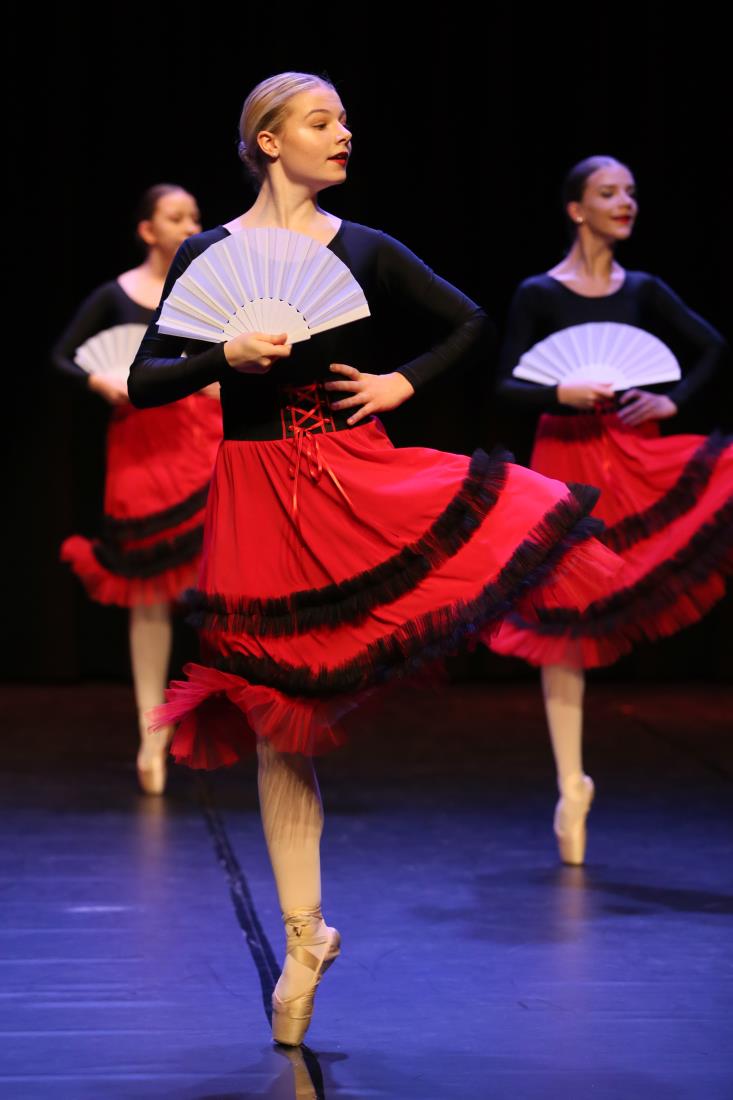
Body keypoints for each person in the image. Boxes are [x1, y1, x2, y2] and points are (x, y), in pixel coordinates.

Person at [128, 74, 622, 1046]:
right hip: (254, 496)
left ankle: (313, 927)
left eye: (346, 120)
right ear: (269, 142)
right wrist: (222, 357)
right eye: (321, 121)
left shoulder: (364, 249)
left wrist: (401, 381)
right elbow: (148, 380)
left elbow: (469, 322)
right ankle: (304, 936)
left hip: (352, 479)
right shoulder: (208, 253)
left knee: (513, 521)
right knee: (276, 720)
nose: (343, 134)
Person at [493, 155, 732, 865]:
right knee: (560, 622)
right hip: (566, 454)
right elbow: (506, 384)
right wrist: (558, 394)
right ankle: (571, 784)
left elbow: (712, 347)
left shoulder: (644, 289)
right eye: (608, 193)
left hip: (632, 453)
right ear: (577, 209)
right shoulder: (540, 293)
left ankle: (572, 785)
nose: (625, 202)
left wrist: (671, 401)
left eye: (630, 192)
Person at [53, 184, 223, 795]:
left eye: (195, 216)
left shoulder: (209, 289)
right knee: (149, 595)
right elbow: (64, 357)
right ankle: (151, 734)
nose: (189, 225)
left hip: (202, 439)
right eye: (176, 217)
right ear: (148, 230)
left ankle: (232, 719)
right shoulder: (116, 295)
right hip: (141, 446)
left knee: (220, 582)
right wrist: (100, 382)